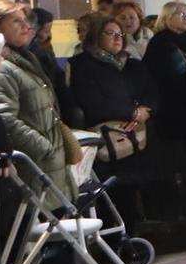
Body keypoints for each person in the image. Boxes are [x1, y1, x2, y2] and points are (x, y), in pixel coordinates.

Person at [67, 14, 158, 235]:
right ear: (96, 36)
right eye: (111, 34)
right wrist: (129, 112)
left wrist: (145, 110)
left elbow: (152, 91)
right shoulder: (81, 65)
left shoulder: (133, 64)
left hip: (137, 135)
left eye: (120, 34)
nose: (117, 38)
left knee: (133, 189)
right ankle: (115, 241)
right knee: (112, 192)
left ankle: (132, 237)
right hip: (106, 138)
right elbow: (89, 101)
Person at [0, 3, 71, 189]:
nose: (27, 27)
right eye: (17, 22)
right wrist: (44, 148)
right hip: (33, 168)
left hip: (46, 166)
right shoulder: (2, 66)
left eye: (26, 21)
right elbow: (4, 117)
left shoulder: (26, 59)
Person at [143, 2, 186, 208]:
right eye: (180, 14)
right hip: (170, 110)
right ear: (167, 17)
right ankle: (176, 207)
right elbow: (154, 77)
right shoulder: (160, 43)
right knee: (172, 161)